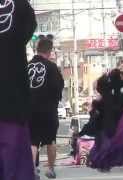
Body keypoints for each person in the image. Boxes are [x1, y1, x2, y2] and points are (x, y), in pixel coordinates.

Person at [0, 0, 37, 179]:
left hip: (13, 99)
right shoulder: (21, 5)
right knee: (14, 162)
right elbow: (30, 27)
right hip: (13, 95)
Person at [28, 38, 64, 179]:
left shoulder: (27, 66)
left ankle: (32, 170)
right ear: (49, 51)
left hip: (30, 110)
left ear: (37, 49)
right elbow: (58, 88)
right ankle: (50, 169)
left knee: (33, 141)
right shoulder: (52, 67)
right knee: (51, 140)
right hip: (48, 110)